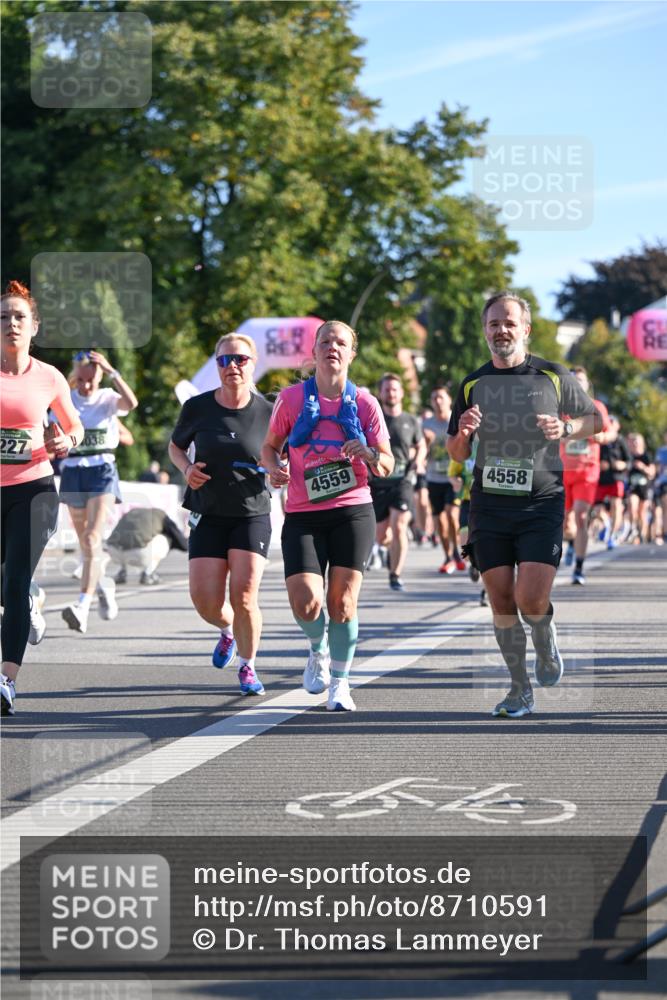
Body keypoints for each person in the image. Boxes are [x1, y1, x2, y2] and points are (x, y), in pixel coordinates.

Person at [447, 291, 601, 719]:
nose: (502, 330)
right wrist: (462, 432)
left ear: (526, 329)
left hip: (541, 501)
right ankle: (519, 689)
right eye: (494, 323)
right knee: (500, 601)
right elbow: (457, 454)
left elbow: (595, 421)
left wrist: (566, 426)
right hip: (490, 505)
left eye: (510, 322)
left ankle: (545, 636)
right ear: (485, 330)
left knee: (530, 598)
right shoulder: (473, 383)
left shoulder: (553, 376)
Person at [261, 320, 393, 712]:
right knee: (306, 603)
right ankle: (317, 647)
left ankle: (340, 682)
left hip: (352, 509)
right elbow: (269, 447)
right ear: (315, 352)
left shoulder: (366, 403)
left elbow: (387, 462)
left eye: (341, 343)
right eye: (325, 342)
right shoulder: (290, 399)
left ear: (352, 354)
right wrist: (274, 468)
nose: (332, 348)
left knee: (343, 602)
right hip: (303, 512)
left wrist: (369, 453)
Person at [169, 332, 273, 695]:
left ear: (253, 363)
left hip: (251, 512)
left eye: (240, 359)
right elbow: (176, 447)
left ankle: (248, 665)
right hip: (208, 511)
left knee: (244, 594)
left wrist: (281, 468)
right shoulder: (197, 407)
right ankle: (226, 630)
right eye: (224, 360)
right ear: (217, 366)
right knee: (205, 600)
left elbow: (285, 455)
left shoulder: (268, 411)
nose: (232, 366)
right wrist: (186, 469)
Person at [1, 280, 83, 716]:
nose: (11, 323)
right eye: (3, 317)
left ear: (34, 326)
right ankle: (27, 605)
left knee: (13, 582)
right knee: (9, 584)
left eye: (19, 317)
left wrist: (65, 440)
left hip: (34, 491)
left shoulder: (48, 376)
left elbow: (76, 426)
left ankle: (6, 680)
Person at [59, 350, 138, 633]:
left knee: (93, 537)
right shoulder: (66, 397)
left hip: (102, 469)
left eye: (91, 380)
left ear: (100, 375)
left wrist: (113, 371)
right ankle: (104, 584)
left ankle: (82, 605)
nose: (86, 386)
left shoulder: (106, 397)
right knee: (87, 545)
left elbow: (131, 402)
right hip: (73, 471)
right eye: (81, 380)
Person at [369, 373, 425, 592]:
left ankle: (395, 574)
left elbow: (421, 445)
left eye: (395, 389)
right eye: (387, 390)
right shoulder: (374, 420)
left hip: (403, 481)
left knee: (400, 525)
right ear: (381, 393)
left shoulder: (410, 421)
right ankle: (385, 548)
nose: (391, 393)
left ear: (401, 393)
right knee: (382, 535)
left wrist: (418, 462)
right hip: (378, 481)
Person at [561, 366, 611, 584]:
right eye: (572, 379)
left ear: (586, 384)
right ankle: (571, 544)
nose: (576, 383)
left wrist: (602, 438)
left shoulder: (596, 406)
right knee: (565, 524)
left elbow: (609, 432)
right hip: (562, 471)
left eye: (580, 379)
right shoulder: (559, 407)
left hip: (587, 471)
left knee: (581, 516)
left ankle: (579, 568)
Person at [424, 386, 465, 574]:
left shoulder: (455, 420)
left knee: (451, 514)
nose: (437, 401)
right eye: (434, 398)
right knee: (439, 520)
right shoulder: (426, 424)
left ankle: (457, 552)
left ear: (449, 400)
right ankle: (449, 555)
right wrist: (425, 443)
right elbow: (420, 451)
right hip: (433, 476)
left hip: (453, 477)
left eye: (441, 397)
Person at [106, 506, 188, 585]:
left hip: (113, 551)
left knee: (126, 538)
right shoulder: (161, 515)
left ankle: (122, 572)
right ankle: (148, 573)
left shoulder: (131, 513)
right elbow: (179, 538)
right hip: (139, 554)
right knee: (165, 539)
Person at [594, 415, 631, 549]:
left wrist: (622, 465)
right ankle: (607, 524)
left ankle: (613, 536)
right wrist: (598, 464)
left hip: (616, 477)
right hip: (601, 478)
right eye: (608, 422)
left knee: (617, 505)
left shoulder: (620, 440)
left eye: (612, 422)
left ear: (617, 426)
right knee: (598, 509)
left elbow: (629, 461)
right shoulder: (599, 439)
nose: (609, 424)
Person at [625, 432, 656, 544]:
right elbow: (624, 470)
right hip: (633, 486)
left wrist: (642, 467)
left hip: (645, 487)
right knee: (633, 507)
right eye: (633, 442)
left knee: (642, 512)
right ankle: (634, 530)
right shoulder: (629, 456)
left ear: (641, 443)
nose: (635, 444)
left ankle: (642, 534)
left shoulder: (646, 456)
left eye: (637, 442)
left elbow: (652, 473)